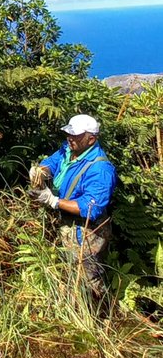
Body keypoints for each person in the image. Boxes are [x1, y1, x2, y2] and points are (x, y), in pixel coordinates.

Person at [29, 114, 117, 298]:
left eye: (76, 135)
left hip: (87, 233)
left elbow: (91, 208)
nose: (70, 138)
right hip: (66, 224)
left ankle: (99, 318)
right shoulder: (69, 149)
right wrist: (41, 171)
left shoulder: (100, 169)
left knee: (89, 281)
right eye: (69, 134)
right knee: (67, 272)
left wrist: (53, 201)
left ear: (91, 139)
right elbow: (53, 162)